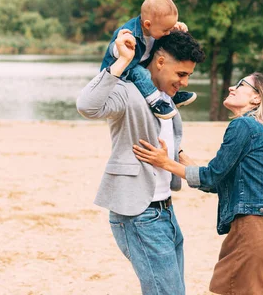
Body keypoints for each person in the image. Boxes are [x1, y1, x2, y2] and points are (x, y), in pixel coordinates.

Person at [133, 72, 263, 295]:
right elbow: (217, 182)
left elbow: (211, 176)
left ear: (256, 98)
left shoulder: (243, 126)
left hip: (253, 232)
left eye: (241, 85)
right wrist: (177, 155)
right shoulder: (262, 132)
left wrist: (165, 162)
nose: (232, 87)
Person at [77, 29, 205, 295]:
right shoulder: (127, 91)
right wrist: (122, 62)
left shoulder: (166, 98)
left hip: (166, 211)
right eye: (181, 74)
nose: (185, 82)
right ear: (160, 62)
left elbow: (170, 141)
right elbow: (87, 106)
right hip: (139, 213)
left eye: (189, 76)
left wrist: (187, 165)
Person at [100, 0, 196, 119]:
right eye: (165, 30)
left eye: (170, 28)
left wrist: (177, 28)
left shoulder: (156, 28)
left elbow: (166, 34)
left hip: (140, 64)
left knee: (157, 73)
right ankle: (156, 102)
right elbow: (113, 51)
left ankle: (171, 96)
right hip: (123, 71)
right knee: (142, 73)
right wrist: (122, 47)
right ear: (147, 25)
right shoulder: (130, 32)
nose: (168, 33)